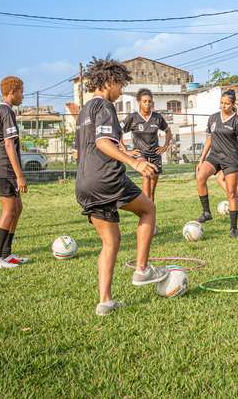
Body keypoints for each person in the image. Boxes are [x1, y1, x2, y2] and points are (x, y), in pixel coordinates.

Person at [75, 57, 167, 316]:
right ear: (109, 82)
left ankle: (105, 302)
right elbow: (103, 143)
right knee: (148, 209)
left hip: (84, 182)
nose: (121, 91)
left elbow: (84, 149)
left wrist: (125, 150)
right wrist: (134, 163)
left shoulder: (84, 111)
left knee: (110, 241)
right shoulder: (105, 106)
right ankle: (142, 269)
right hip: (106, 178)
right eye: (120, 85)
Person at [194, 89, 238, 238]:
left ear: (233, 104)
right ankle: (206, 212)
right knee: (200, 177)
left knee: (231, 193)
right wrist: (201, 159)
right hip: (214, 156)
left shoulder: (237, 121)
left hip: (230, 159)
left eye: (226, 103)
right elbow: (209, 140)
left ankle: (233, 229)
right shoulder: (213, 118)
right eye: (221, 103)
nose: (223, 106)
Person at [0, 76, 27, 269]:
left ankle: (6, 254)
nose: (22, 96)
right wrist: (19, 175)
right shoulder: (7, 111)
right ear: (12, 92)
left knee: (17, 208)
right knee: (9, 210)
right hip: (5, 168)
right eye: (21, 92)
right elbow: (9, 143)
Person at [120, 88, 172, 232]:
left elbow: (168, 131)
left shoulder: (157, 118)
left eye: (149, 102)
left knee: (152, 193)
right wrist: (126, 150)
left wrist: (165, 145)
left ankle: (150, 222)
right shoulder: (132, 118)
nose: (147, 104)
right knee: (146, 188)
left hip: (155, 155)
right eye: (144, 101)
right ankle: (145, 224)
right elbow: (118, 132)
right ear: (139, 102)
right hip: (140, 155)